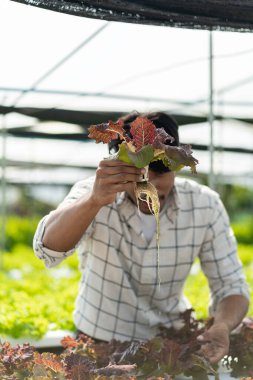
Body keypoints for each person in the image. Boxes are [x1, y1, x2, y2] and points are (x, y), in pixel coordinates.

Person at [33, 111, 249, 364]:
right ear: (120, 168)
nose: (153, 185)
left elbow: (231, 285)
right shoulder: (93, 194)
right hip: (100, 341)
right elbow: (47, 249)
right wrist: (93, 201)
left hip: (169, 342)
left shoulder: (205, 205)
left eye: (164, 170)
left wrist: (222, 326)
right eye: (141, 173)